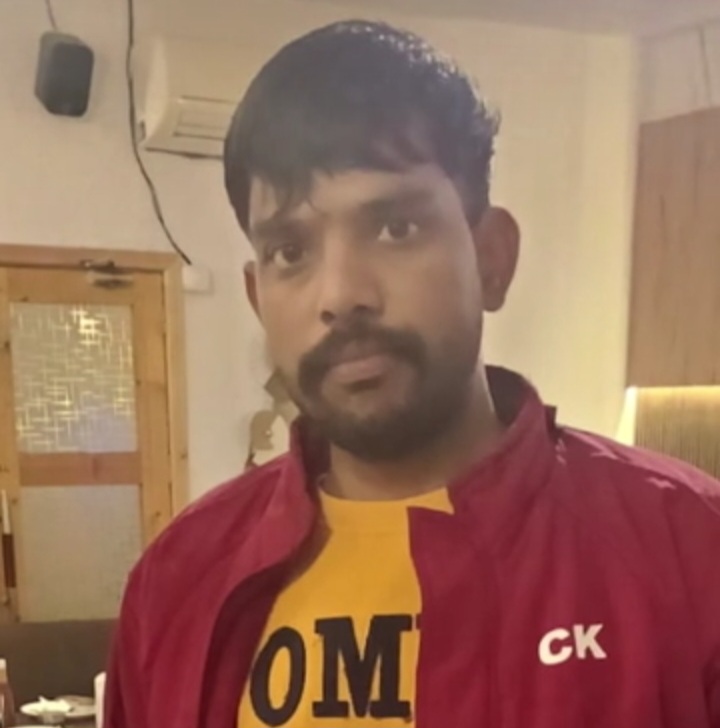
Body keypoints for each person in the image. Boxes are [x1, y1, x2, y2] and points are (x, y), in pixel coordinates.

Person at [105, 20, 720, 728]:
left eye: (395, 228)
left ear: (492, 260)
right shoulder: (176, 582)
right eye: (290, 251)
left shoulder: (689, 553)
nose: (341, 294)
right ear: (256, 298)